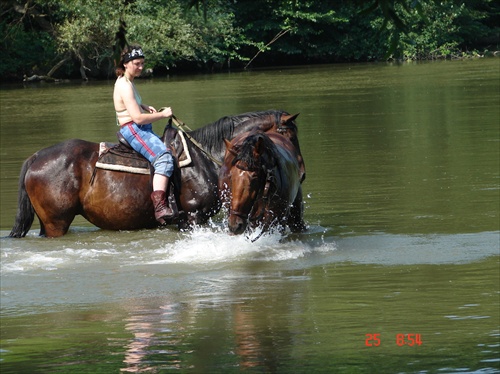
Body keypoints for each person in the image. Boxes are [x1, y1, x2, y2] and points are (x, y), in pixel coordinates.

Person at [114, 45, 175, 224]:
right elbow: (139, 119)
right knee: (164, 158)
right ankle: (160, 207)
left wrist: (144, 105)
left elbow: (130, 104)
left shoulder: (127, 80)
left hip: (136, 126)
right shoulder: (125, 85)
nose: (140, 67)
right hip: (134, 128)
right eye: (137, 64)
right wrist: (162, 115)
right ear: (126, 64)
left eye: (142, 64)